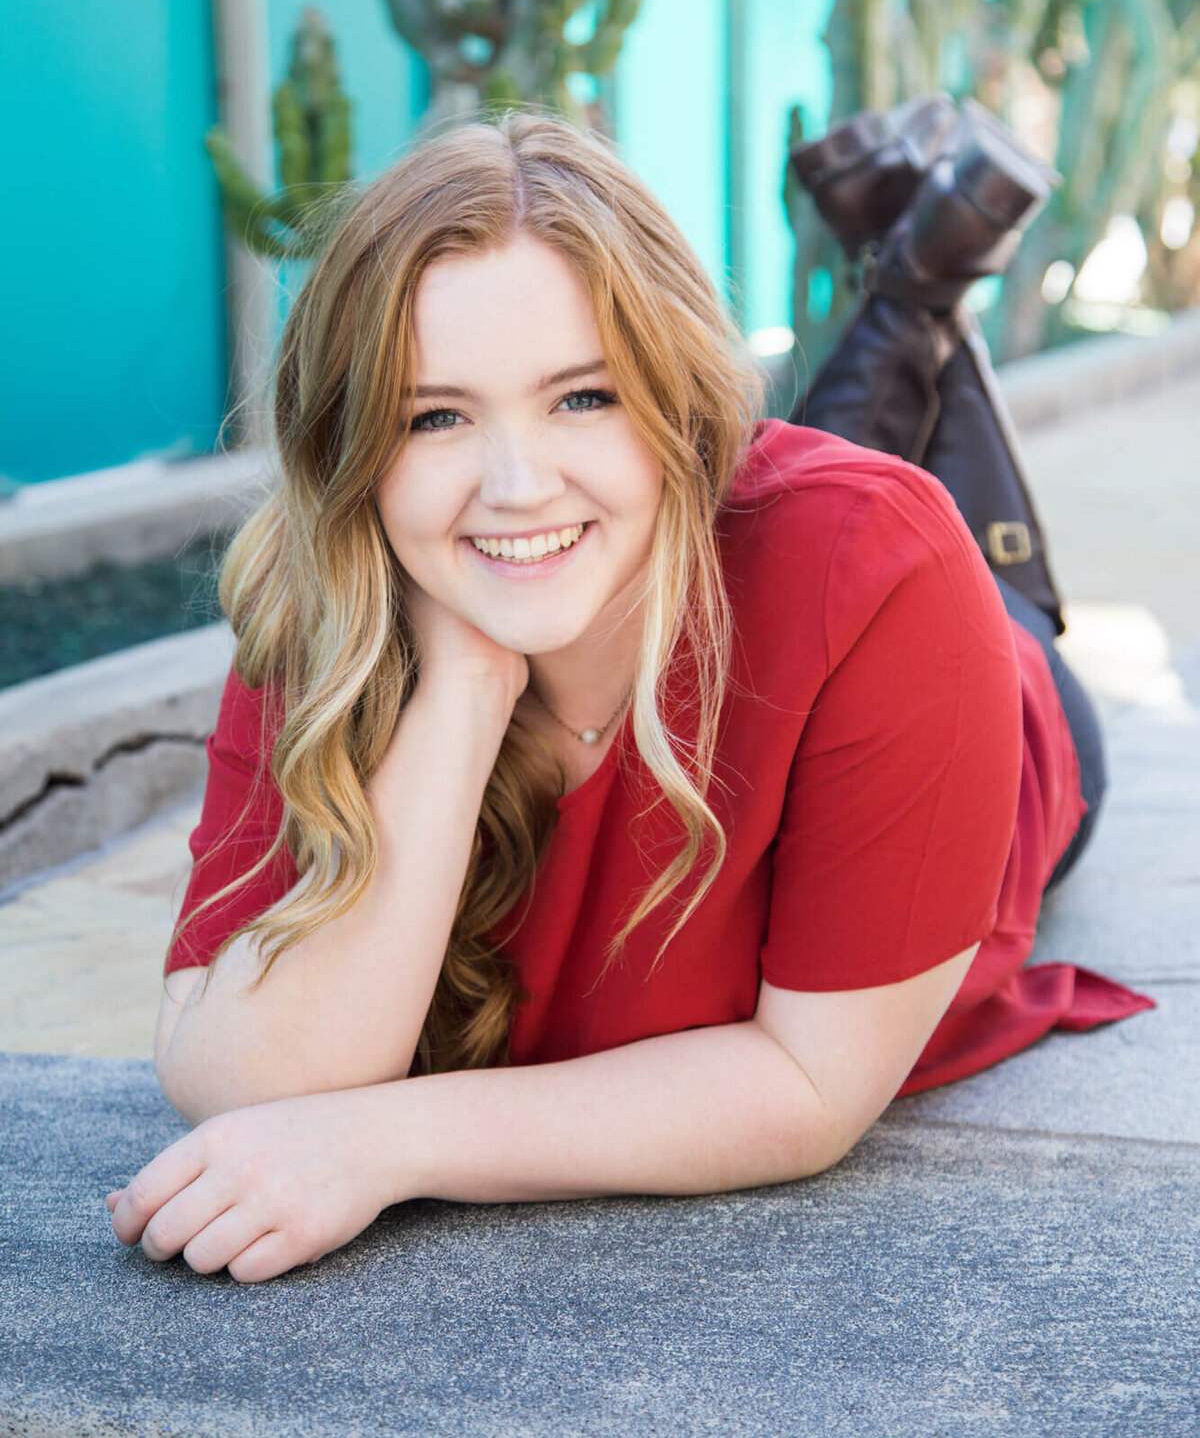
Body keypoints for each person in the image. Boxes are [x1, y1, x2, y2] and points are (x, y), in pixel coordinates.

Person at [105, 109, 1153, 1284]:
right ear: (354, 449)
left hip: (996, 700)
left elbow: (807, 1084)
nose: (511, 482)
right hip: (681, 531)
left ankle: (919, 296)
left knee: (860, 515)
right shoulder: (334, 592)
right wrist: (466, 677)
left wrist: (386, 1140)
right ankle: (908, 283)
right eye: (434, 415)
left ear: (676, 399)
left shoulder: (881, 569)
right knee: (671, 510)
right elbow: (236, 1075)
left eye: (584, 396)